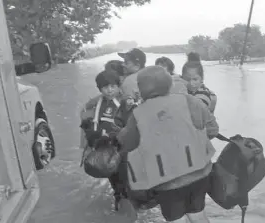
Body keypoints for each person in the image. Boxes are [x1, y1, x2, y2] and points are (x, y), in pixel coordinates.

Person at [117, 66, 219, 223]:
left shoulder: (138, 115)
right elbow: (212, 130)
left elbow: (127, 145)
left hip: (167, 181)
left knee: (176, 219)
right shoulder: (190, 100)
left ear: (141, 89)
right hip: (200, 172)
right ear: (169, 84)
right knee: (197, 213)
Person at [79, 70, 129, 211]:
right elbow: (85, 118)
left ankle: (125, 200)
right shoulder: (95, 103)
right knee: (112, 175)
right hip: (103, 147)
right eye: (105, 87)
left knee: (123, 176)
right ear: (100, 89)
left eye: (113, 86)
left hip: (122, 147)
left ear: (119, 86)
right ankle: (119, 197)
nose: (109, 90)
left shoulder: (126, 102)